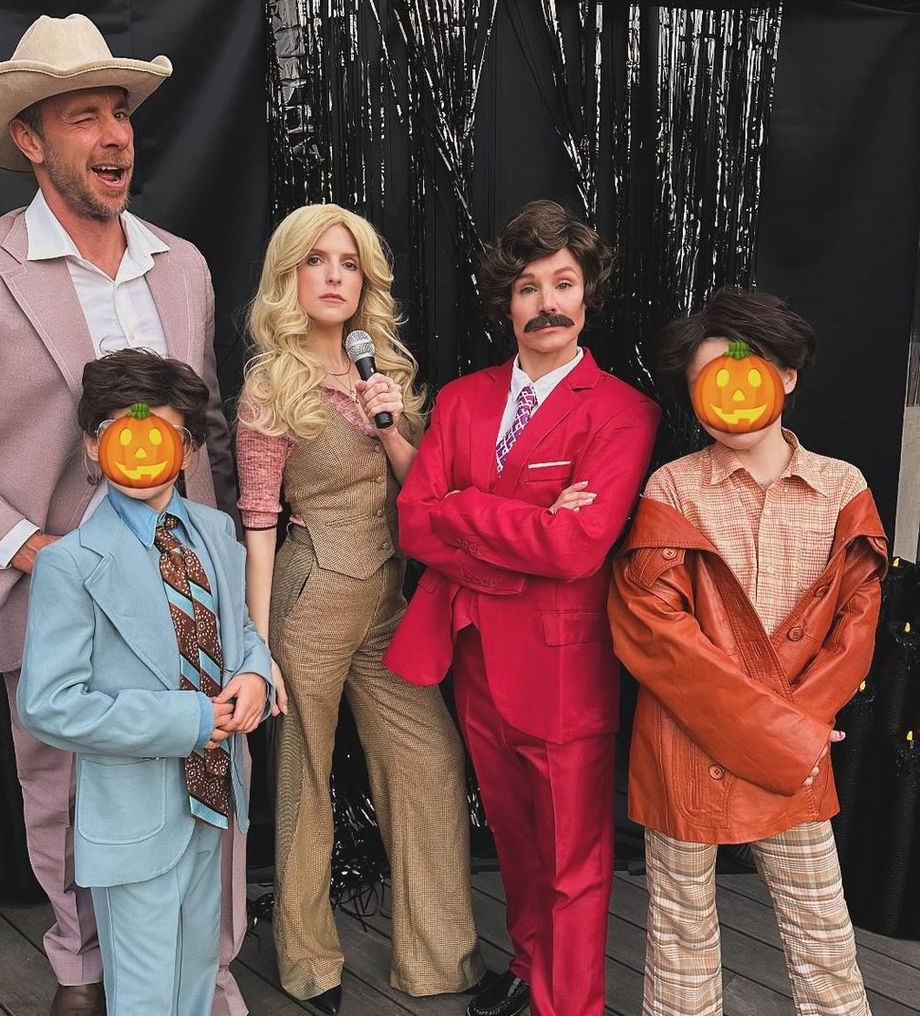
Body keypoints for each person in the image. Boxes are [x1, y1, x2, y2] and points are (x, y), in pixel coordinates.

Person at [0, 14, 241, 1016]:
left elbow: (206, 427)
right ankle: (82, 969)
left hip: (180, 577)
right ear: (30, 141)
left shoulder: (181, 265)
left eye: (121, 112)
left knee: (202, 775)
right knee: (61, 788)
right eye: (83, 115)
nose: (113, 135)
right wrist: (30, 548)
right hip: (55, 583)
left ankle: (203, 973)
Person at [384, 200, 661, 1016]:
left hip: (564, 664)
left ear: (587, 298)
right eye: (529, 286)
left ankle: (566, 1004)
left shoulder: (621, 410)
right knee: (511, 836)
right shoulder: (464, 400)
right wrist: (530, 523)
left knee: (573, 857)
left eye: (564, 284)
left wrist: (463, 506)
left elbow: (579, 549)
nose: (547, 302)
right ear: (506, 302)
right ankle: (532, 966)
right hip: (473, 657)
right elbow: (412, 524)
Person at [235, 203, 485, 1015]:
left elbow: (427, 499)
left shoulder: (388, 377)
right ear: (289, 277)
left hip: (387, 602)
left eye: (348, 262)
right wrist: (255, 644)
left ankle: (440, 961)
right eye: (316, 261)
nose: (334, 275)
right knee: (306, 782)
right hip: (307, 599)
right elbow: (260, 522)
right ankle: (311, 966)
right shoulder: (271, 386)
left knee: (430, 765)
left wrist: (388, 427)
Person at [608, 288, 886, 1016]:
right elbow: (656, 633)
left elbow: (855, 627)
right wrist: (780, 731)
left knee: (824, 930)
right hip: (684, 745)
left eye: (745, 371)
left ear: (787, 376)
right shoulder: (672, 487)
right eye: (705, 383)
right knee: (679, 933)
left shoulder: (841, 489)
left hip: (796, 745)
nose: (727, 396)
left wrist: (800, 725)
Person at [17, 348, 272, 1016]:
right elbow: (50, 705)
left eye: (161, 435)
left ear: (186, 448)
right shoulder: (70, 565)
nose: (139, 451)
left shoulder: (216, 533)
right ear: (94, 446)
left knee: (195, 975)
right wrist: (186, 720)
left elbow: (240, 631)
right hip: (136, 817)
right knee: (144, 995)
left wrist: (252, 674)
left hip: (213, 801)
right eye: (122, 435)